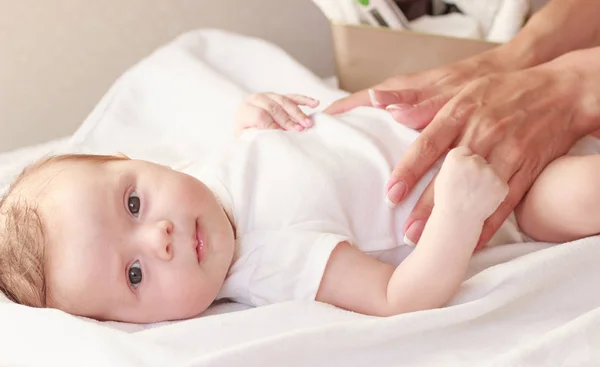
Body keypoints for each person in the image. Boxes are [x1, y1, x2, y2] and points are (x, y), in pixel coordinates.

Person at [1, 91, 599, 324]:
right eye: (134, 275)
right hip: (500, 189)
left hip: (446, 117)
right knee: (578, 194)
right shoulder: (272, 261)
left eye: (132, 201)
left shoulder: (197, 177)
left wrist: (252, 118)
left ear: (129, 159)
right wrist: (459, 215)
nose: (157, 236)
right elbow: (400, 298)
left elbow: (248, 157)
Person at [325, 0, 600, 249]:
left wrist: (570, 84)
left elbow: (394, 298)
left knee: (581, 191)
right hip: (505, 182)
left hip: (512, 180)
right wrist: (513, 58)